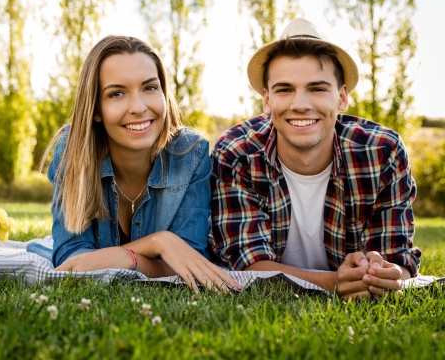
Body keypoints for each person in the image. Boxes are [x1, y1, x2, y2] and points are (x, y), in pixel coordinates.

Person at [210, 17, 421, 300]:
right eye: (284, 89)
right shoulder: (236, 152)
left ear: (342, 98)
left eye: (317, 88)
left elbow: (395, 257)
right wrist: (335, 281)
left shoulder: (383, 151)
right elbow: (248, 265)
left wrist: (381, 274)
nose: (300, 105)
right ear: (267, 100)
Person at [39, 35, 240, 293]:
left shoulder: (191, 154)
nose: (138, 107)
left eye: (149, 88)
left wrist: (122, 258)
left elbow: (189, 263)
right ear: (96, 109)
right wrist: (158, 245)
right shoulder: (73, 152)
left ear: (164, 93)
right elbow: (71, 262)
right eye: (117, 93)